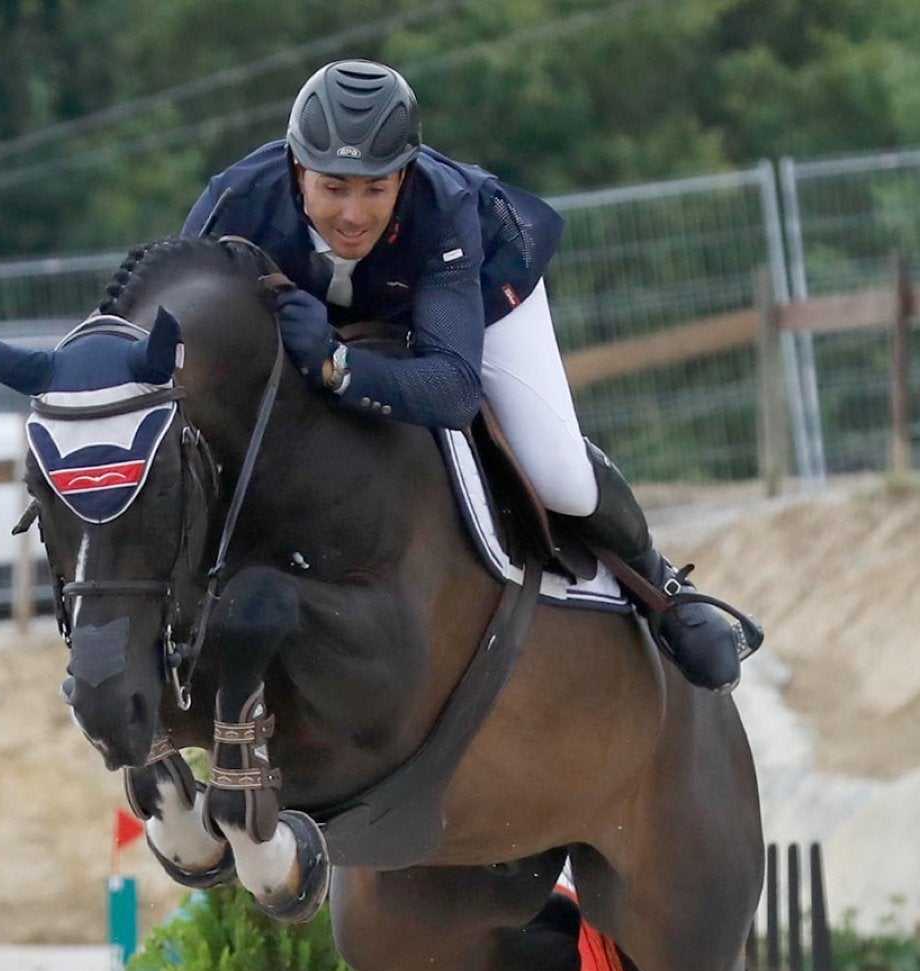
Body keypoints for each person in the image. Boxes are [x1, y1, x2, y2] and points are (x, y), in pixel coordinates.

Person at [183, 58, 746, 693]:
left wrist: (340, 367)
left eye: (376, 188)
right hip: (327, 305)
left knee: (558, 474)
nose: (353, 214)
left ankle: (665, 588)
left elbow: (453, 389)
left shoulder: (446, 207)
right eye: (333, 187)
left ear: (405, 174)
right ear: (295, 167)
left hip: (472, 286)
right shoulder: (233, 204)